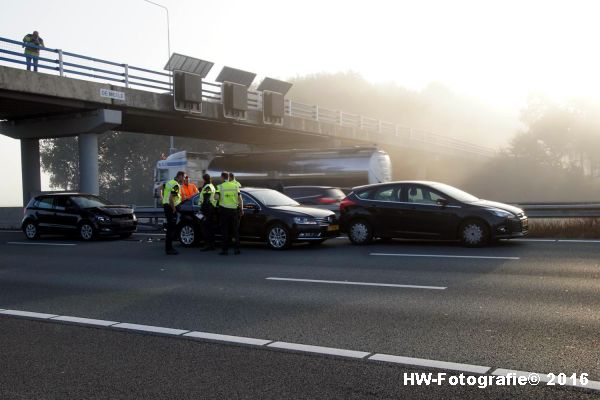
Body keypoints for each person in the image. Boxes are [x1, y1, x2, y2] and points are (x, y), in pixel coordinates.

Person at [215, 171, 243, 255]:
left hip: (224, 211)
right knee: (235, 230)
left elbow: (216, 198)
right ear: (228, 177)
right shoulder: (235, 186)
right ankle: (237, 249)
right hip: (234, 211)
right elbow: (240, 199)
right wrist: (241, 209)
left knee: (225, 231)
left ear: (222, 177)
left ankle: (225, 250)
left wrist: (216, 197)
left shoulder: (220, 187)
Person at [162, 171, 185, 255]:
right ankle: (169, 249)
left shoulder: (169, 182)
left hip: (166, 206)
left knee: (170, 228)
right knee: (171, 229)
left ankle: (169, 247)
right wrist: (174, 208)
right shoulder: (175, 185)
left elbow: (163, 192)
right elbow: (171, 198)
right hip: (170, 207)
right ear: (180, 176)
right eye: (183, 177)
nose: (184, 179)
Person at [199, 173, 216, 251]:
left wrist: (203, 211)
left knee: (206, 228)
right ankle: (211, 245)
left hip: (207, 210)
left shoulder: (207, 187)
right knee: (210, 228)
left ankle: (207, 245)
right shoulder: (212, 186)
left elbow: (206, 199)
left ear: (204, 179)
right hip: (211, 209)